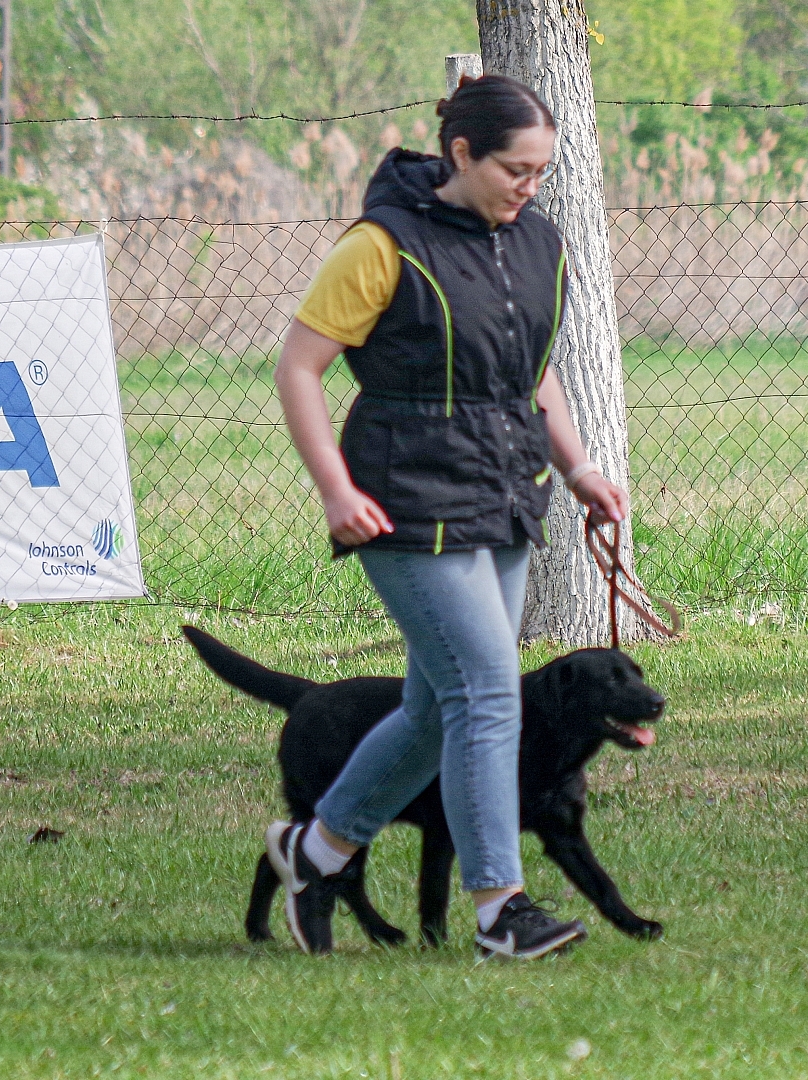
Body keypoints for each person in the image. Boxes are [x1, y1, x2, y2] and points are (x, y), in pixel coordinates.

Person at [265, 74, 628, 960]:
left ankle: (314, 853)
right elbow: (299, 368)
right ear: (461, 153)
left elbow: (532, 370)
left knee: (436, 711)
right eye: (514, 169)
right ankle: (501, 908)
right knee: (489, 693)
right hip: (402, 502)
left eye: (541, 172)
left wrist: (578, 465)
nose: (529, 187)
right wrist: (334, 489)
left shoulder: (537, 242)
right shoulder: (382, 246)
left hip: (504, 496)